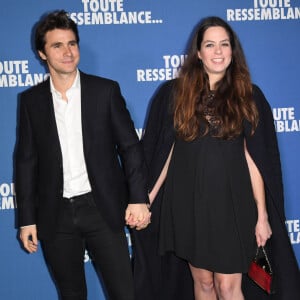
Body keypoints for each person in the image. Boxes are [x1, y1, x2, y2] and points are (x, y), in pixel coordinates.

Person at [135, 16, 300, 300]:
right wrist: (146, 197)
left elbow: (255, 160)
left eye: (224, 44)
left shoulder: (249, 96)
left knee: (227, 286)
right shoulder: (175, 94)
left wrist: (261, 216)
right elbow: (166, 152)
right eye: (210, 45)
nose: (218, 51)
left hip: (232, 207)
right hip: (187, 203)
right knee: (204, 284)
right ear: (198, 53)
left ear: (233, 51)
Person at [15, 10, 151, 300]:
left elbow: (130, 147)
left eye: (72, 43)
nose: (68, 52)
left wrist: (138, 198)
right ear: (42, 53)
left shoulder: (105, 92)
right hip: (56, 215)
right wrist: (27, 219)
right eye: (57, 45)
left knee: (125, 293)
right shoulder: (31, 102)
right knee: (71, 294)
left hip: (102, 209)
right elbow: (26, 162)